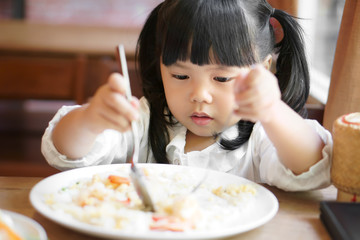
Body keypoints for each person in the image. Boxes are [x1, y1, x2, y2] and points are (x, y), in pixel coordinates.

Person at [42, 0, 332, 191]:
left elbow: (312, 165)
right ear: (160, 66)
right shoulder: (144, 121)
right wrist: (91, 119)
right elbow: (65, 152)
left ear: (264, 69)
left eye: (221, 78)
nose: (200, 95)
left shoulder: (262, 137)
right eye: (180, 76)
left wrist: (272, 110)